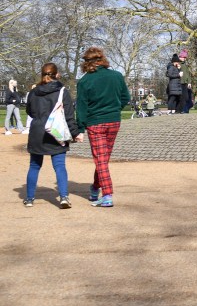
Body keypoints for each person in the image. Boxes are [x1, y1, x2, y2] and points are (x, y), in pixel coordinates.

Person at [76, 46, 131, 208]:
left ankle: (107, 195)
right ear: (102, 59)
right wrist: (114, 110)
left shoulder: (85, 81)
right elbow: (125, 97)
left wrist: (80, 128)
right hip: (114, 121)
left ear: (86, 63)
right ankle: (94, 188)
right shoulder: (117, 76)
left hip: (95, 123)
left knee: (101, 160)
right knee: (103, 159)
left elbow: (81, 107)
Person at [24, 63, 83, 208]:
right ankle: (63, 197)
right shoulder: (62, 91)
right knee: (60, 166)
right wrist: (75, 133)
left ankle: (30, 198)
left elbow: (29, 112)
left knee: (34, 166)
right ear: (56, 75)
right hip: (56, 132)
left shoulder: (33, 92)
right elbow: (69, 116)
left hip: (37, 131)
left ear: (42, 74)